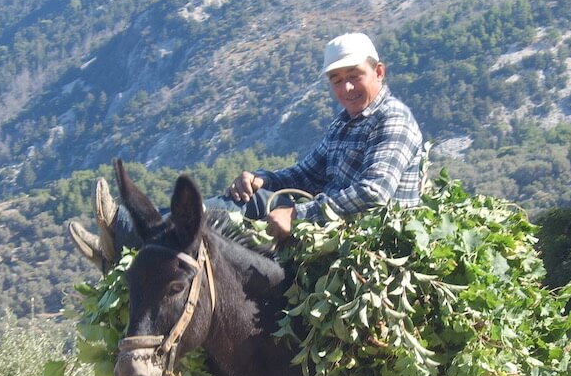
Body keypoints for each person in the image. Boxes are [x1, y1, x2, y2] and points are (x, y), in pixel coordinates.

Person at [68, 32, 424, 270]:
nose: (346, 87)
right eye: (336, 79)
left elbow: (374, 194)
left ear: (378, 72)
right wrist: (260, 179)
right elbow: (307, 173)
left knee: (222, 226)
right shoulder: (346, 121)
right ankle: (124, 237)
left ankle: (125, 236)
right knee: (238, 203)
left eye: (355, 76)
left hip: (364, 238)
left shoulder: (393, 121)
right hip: (329, 222)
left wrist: (298, 215)